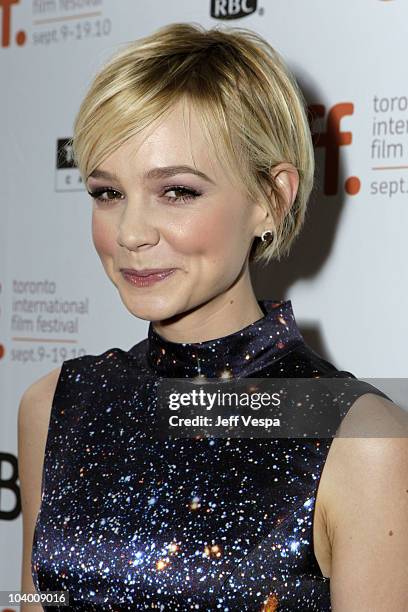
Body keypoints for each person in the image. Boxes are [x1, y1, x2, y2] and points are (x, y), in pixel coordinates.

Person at [18, 22, 407, 611]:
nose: (130, 234)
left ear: (271, 199)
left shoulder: (359, 439)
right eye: (107, 193)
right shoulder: (55, 404)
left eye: (176, 191)